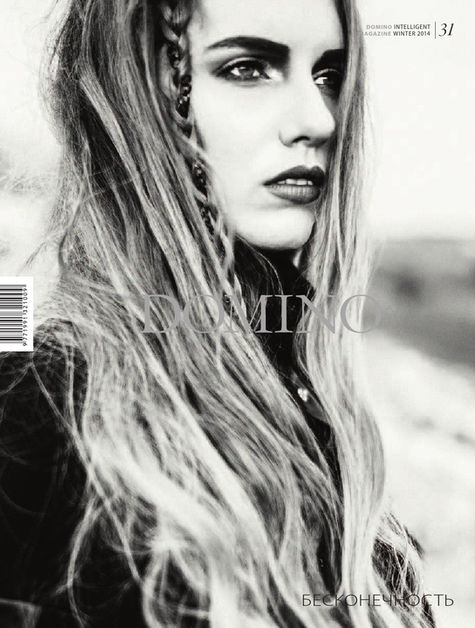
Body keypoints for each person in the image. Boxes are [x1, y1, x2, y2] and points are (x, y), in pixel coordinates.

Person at [0, 0, 435, 626]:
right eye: (247, 68)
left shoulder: (327, 436)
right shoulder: (42, 411)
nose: (318, 119)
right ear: (139, 95)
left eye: (329, 75)